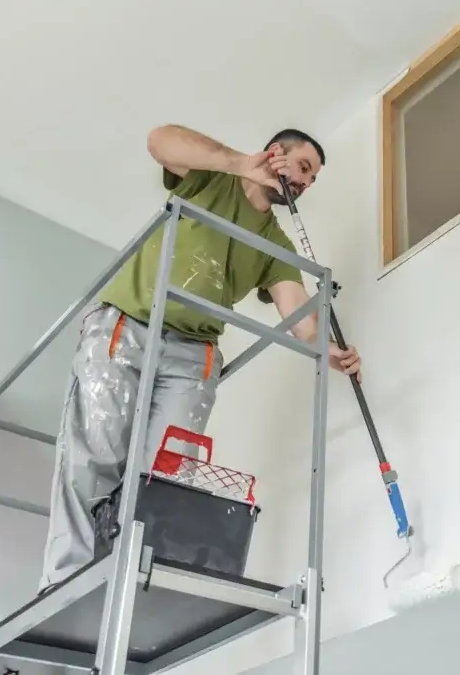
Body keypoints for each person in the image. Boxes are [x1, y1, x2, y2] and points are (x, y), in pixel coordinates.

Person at [38, 125, 361, 592]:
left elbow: (302, 322)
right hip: (128, 326)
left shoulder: (277, 246)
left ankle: (127, 589)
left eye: (313, 180)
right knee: (96, 456)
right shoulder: (211, 179)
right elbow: (158, 141)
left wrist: (330, 352)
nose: (307, 184)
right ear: (276, 155)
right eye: (305, 168)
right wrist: (236, 162)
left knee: (164, 480)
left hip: (193, 357)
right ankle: (66, 583)